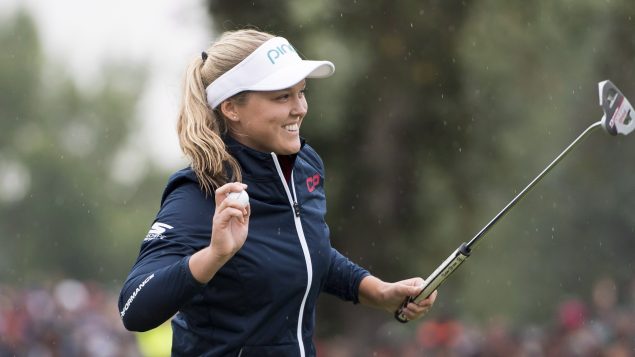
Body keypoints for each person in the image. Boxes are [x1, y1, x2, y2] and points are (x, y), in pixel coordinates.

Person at [118, 29, 437, 356]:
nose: (299, 108)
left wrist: (379, 292)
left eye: (301, 92)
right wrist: (214, 255)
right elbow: (134, 306)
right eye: (282, 96)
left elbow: (308, 249)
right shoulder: (201, 189)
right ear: (231, 108)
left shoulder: (305, 167)